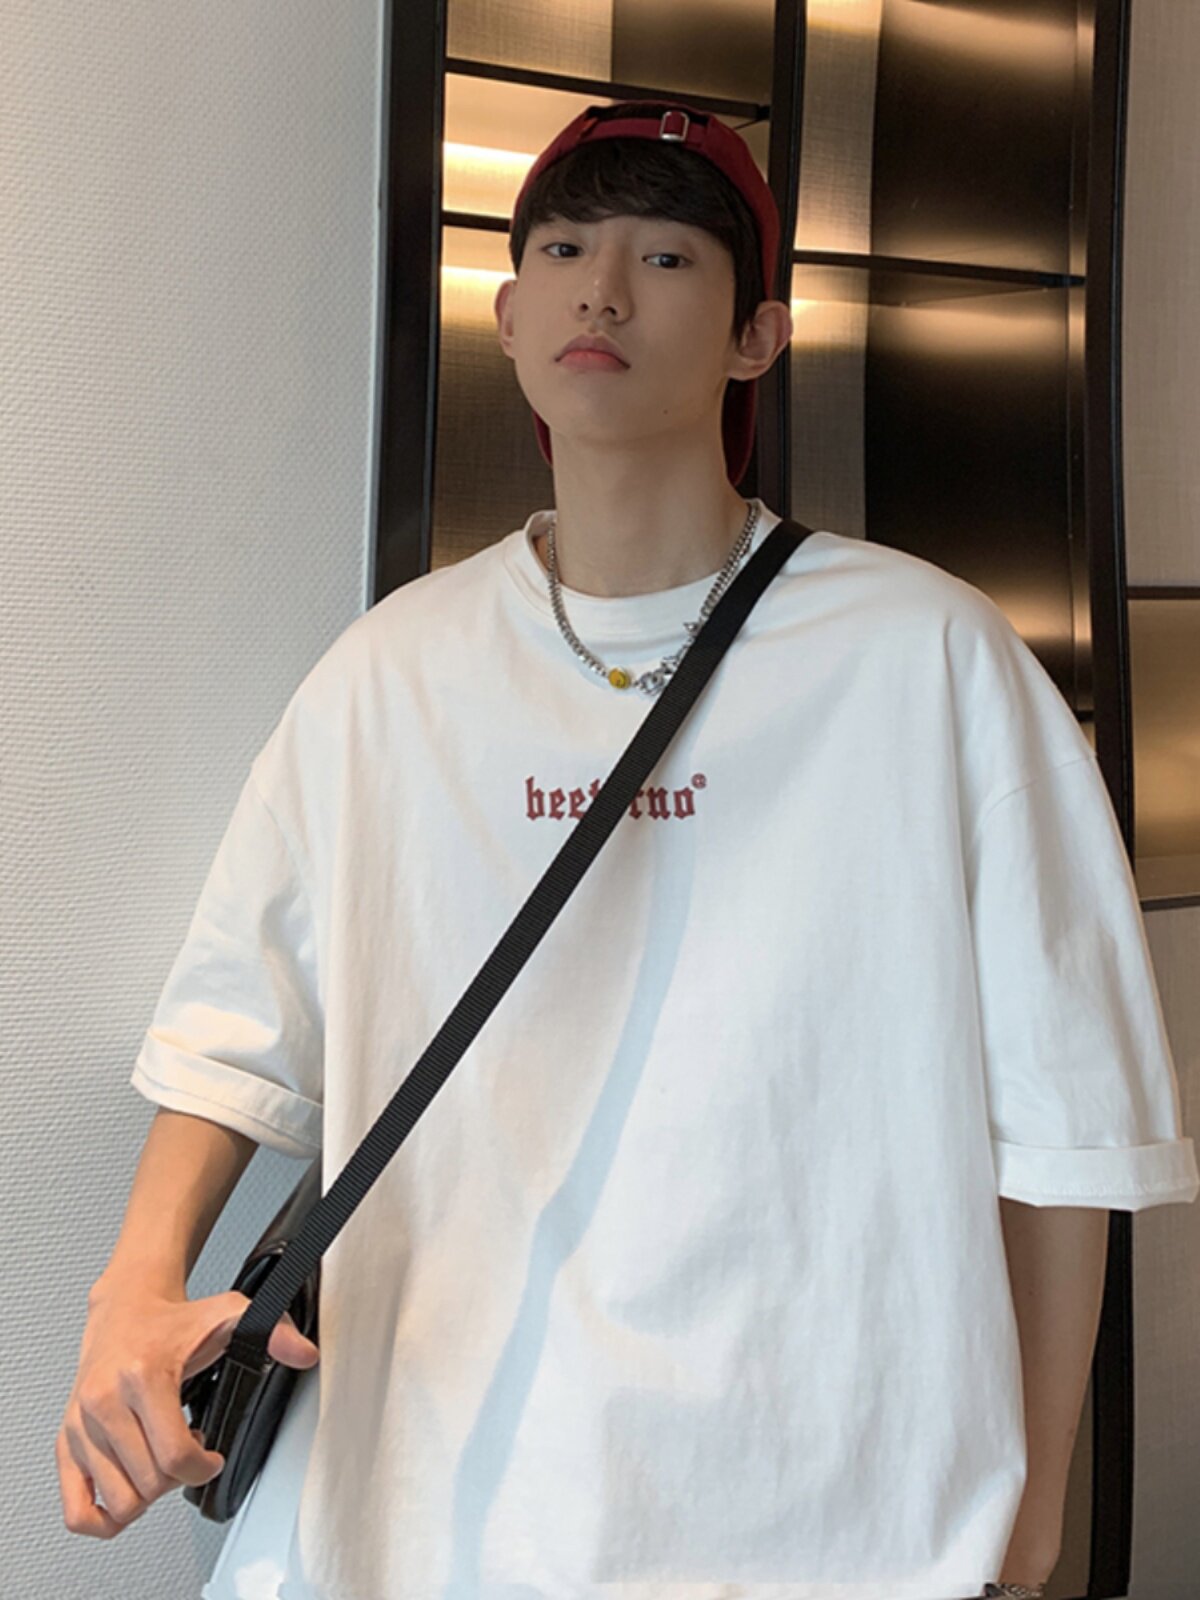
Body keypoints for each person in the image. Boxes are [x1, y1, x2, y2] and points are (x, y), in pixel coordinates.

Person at [59, 100, 1198, 1600]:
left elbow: (1067, 1128)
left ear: (758, 337)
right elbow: (236, 1032)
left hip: (831, 1510)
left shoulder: (929, 658)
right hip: (423, 1506)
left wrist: (1032, 1516)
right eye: (562, 250)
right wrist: (132, 1289)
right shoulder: (391, 675)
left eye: (666, 256)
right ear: (507, 316)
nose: (601, 290)